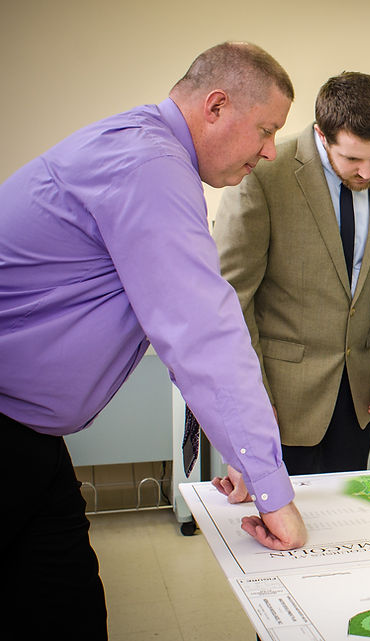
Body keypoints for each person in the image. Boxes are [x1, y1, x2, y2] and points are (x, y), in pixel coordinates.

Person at [0, 42, 307, 638]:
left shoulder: (142, 149)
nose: (270, 152)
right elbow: (203, 332)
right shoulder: (149, 165)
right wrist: (274, 495)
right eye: (266, 130)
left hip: (30, 436)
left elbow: (176, 327)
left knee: (68, 609)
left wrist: (243, 449)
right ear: (217, 106)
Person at [214, 72, 370, 475]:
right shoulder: (264, 174)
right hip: (282, 395)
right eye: (353, 159)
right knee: (284, 527)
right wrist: (250, 398)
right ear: (322, 135)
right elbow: (233, 297)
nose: (369, 172)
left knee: (345, 517)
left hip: (358, 393)